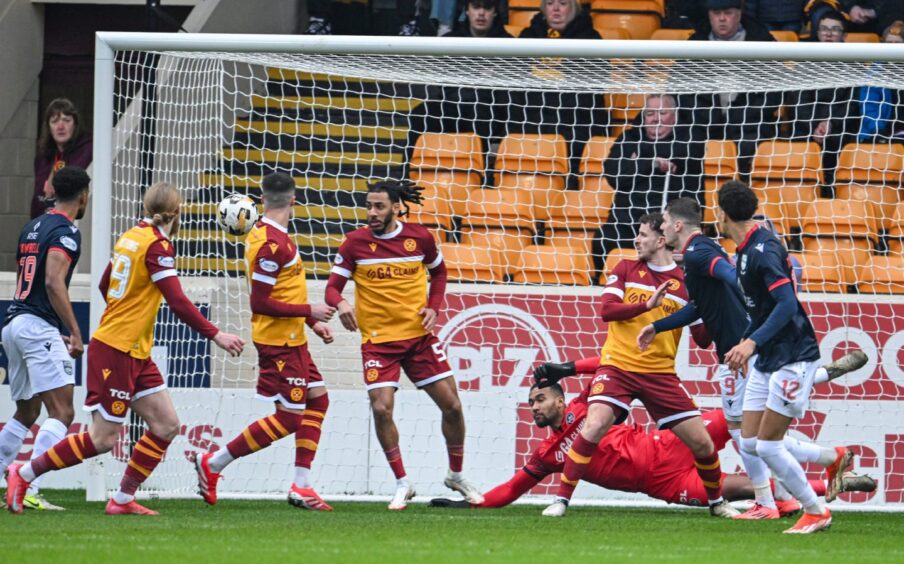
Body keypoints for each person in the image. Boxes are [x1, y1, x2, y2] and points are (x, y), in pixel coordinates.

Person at [5, 182, 246, 516]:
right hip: (116, 349)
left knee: (166, 425)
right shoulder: (158, 247)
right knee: (103, 439)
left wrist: (128, 312)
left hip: (133, 348)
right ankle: (25, 472)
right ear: (176, 213)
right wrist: (216, 334)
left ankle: (121, 499)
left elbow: (105, 284)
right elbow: (176, 299)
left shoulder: (131, 236)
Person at [637, 197, 867, 519]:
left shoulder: (699, 252)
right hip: (740, 347)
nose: (660, 229)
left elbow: (735, 280)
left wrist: (748, 338)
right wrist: (657, 326)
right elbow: (701, 306)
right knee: (756, 435)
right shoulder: (697, 251)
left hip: (739, 351)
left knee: (747, 434)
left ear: (677, 225)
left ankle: (774, 500)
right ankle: (817, 461)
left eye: (662, 222)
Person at [536, 213, 739, 518]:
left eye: (643, 235)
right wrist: (647, 306)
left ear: (660, 240)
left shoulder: (687, 283)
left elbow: (702, 340)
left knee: (702, 443)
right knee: (594, 425)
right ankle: (561, 500)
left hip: (660, 374)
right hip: (618, 367)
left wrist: (713, 303)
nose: (637, 240)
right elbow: (607, 311)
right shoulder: (626, 268)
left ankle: (716, 503)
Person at [430, 378, 877, 510]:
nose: (536, 406)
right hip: (663, 484)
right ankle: (832, 484)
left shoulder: (589, 403)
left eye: (541, 397)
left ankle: (807, 376)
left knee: (745, 424)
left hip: (668, 443)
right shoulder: (547, 456)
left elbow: (609, 367)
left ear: (561, 398)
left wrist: (567, 363)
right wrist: (468, 504)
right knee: (742, 487)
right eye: (530, 403)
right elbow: (510, 491)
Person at [325, 180, 483, 510]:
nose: (371, 212)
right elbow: (332, 289)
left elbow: (439, 274)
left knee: (452, 406)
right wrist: (341, 305)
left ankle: (456, 475)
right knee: (381, 408)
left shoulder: (420, 238)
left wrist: (434, 307)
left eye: (379, 206)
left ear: (397, 207)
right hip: (379, 343)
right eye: (368, 206)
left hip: (419, 340)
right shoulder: (354, 244)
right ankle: (402, 483)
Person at [194, 173, 337, 511]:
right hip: (278, 343)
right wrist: (310, 309)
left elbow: (285, 291)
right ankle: (214, 463)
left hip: (293, 337)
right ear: (294, 199)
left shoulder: (270, 235)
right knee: (289, 418)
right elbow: (260, 302)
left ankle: (302, 485)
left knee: (318, 401)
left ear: (261, 197)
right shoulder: (272, 244)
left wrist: (312, 322)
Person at [718, 181, 840, 534]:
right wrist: (745, 341)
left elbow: (787, 305)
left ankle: (816, 511)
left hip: (793, 356)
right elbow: (761, 308)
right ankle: (831, 457)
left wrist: (751, 344)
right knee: (752, 443)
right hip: (767, 357)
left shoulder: (763, 250)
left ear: (721, 214)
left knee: (769, 446)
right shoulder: (743, 250)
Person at [0, 167, 91, 511]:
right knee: (62, 411)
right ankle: (29, 485)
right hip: (37, 327)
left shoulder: (32, 225)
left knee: (26, 411)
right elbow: (53, 281)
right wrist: (76, 332)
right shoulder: (66, 230)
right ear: (83, 195)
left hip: (13, 322)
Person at [594, 94, 704, 273]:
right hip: (626, 220)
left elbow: (680, 156)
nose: (656, 119)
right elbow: (613, 172)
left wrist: (635, 162)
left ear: (675, 116)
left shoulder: (690, 138)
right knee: (602, 241)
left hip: (667, 223)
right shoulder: (629, 137)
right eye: (650, 113)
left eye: (663, 112)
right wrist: (652, 163)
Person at [686, 0, 780, 179]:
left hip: (751, 126)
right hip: (702, 125)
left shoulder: (762, 41)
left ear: (739, 14)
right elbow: (681, 92)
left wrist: (748, 115)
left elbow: (775, 92)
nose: (722, 19)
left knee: (751, 147)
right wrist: (703, 116)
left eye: (728, 13)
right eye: (716, 13)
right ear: (709, 15)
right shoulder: (694, 44)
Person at [32, 98, 93, 219]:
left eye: (66, 120)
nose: (60, 126)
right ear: (48, 127)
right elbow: (37, 198)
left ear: (75, 124)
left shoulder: (88, 150)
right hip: (42, 225)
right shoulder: (43, 156)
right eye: (54, 121)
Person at [443, 0, 512, 37]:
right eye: (476, 7)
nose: (481, 13)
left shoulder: (512, 45)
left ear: (495, 12)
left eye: (487, 7)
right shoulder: (448, 41)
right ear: (467, 10)